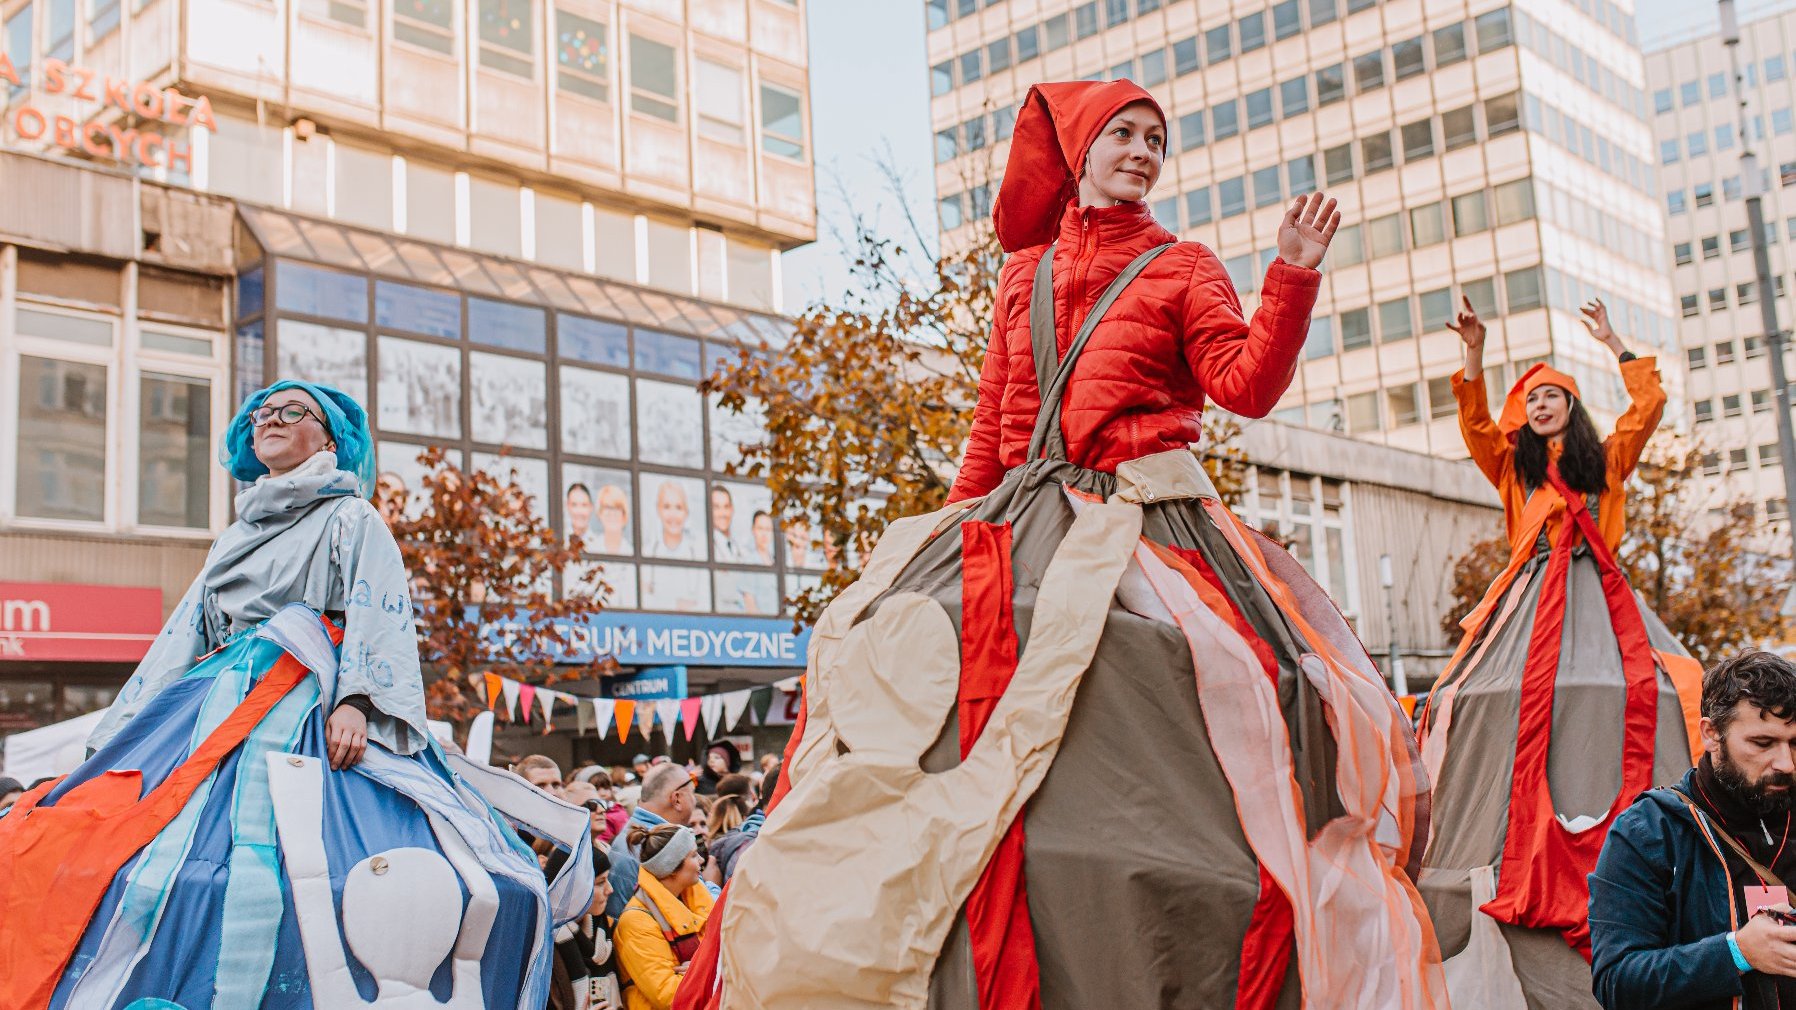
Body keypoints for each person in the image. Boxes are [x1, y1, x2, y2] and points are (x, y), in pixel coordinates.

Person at [677, 80, 1443, 1010]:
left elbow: (1243, 386)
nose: (1142, 151)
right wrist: (941, 543)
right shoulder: (1022, 276)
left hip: (1149, 517)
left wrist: (1292, 275)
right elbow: (995, 427)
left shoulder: (1185, 264)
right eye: (1122, 134)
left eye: (1156, 139)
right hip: (1023, 516)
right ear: (1081, 151)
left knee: (1253, 678)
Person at [0, 380, 576, 1009]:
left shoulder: (351, 517)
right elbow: (186, 632)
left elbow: (377, 608)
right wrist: (129, 731)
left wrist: (358, 701)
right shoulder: (232, 534)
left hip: (307, 695)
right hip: (215, 702)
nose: (269, 420)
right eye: (261, 414)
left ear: (328, 438)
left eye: (290, 411)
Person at [1416, 298, 1702, 1004]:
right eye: (1533, 398)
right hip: (1531, 587)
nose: (1542, 405)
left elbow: (1649, 406)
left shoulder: (1605, 461)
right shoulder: (1514, 471)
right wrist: (1474, 355)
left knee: (1656, 685)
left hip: (1596, 588)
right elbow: (1477, 426)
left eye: (1553, 396)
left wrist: (1615, 344)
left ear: (1571, 408)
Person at [1591, 651, 1796, 1010]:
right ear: (1711, 733)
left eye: (1795, 744)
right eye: (1762, 744)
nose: (1785, 763)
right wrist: (1735, 952)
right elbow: (1617, 983)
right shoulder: (1646, 833)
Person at [615, 824, 713, 1010]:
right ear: (672, 868)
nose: (701, 860)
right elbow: (667, 994)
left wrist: (698, 968)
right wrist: (707, 970)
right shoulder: (636, 921)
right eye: (693, 855)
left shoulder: (696, 900)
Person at [608, 763, 695, 919]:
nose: (695, 801)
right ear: (677, 799)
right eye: (693, 793)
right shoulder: (661, 844)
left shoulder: (633, 834)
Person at [546, 843, 623, 1010]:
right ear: (574, 889)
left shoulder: (602, 927)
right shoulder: (544, 943)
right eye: (601, 882)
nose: (610, 890)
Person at [644, 482, 702, 560]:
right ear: (658, 510)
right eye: (666, 507)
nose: (673, 515)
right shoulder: (647, 552)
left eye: (679, 507)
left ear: (686, 512)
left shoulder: (700, 553)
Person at [596, 484, 633, 554]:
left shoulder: (631, 552)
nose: (612, 513)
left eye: (617, 508)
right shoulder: (590, 549)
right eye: (607, 507)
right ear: (599, 513)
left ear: (624, 515)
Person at [709, 486, 744, 562]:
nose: (723, 513)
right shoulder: (704, 548)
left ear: (732, 509)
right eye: (716, 507)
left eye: (726, 506)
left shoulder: (739, 547)